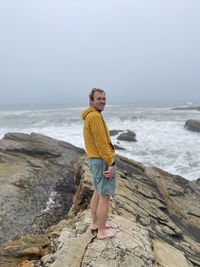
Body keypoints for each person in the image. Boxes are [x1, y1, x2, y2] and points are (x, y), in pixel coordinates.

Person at [82, 88, 116, 239]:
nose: (102, 101)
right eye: (99, 99)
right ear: (91, 101)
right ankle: (102, 231)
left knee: (97, 191)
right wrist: (111, 163)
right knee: (104, 196)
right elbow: (102, 144)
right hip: (101, 161)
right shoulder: (95, 117)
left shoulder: (90, 116)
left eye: (103, 98)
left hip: (93, 159)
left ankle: (95, 223)